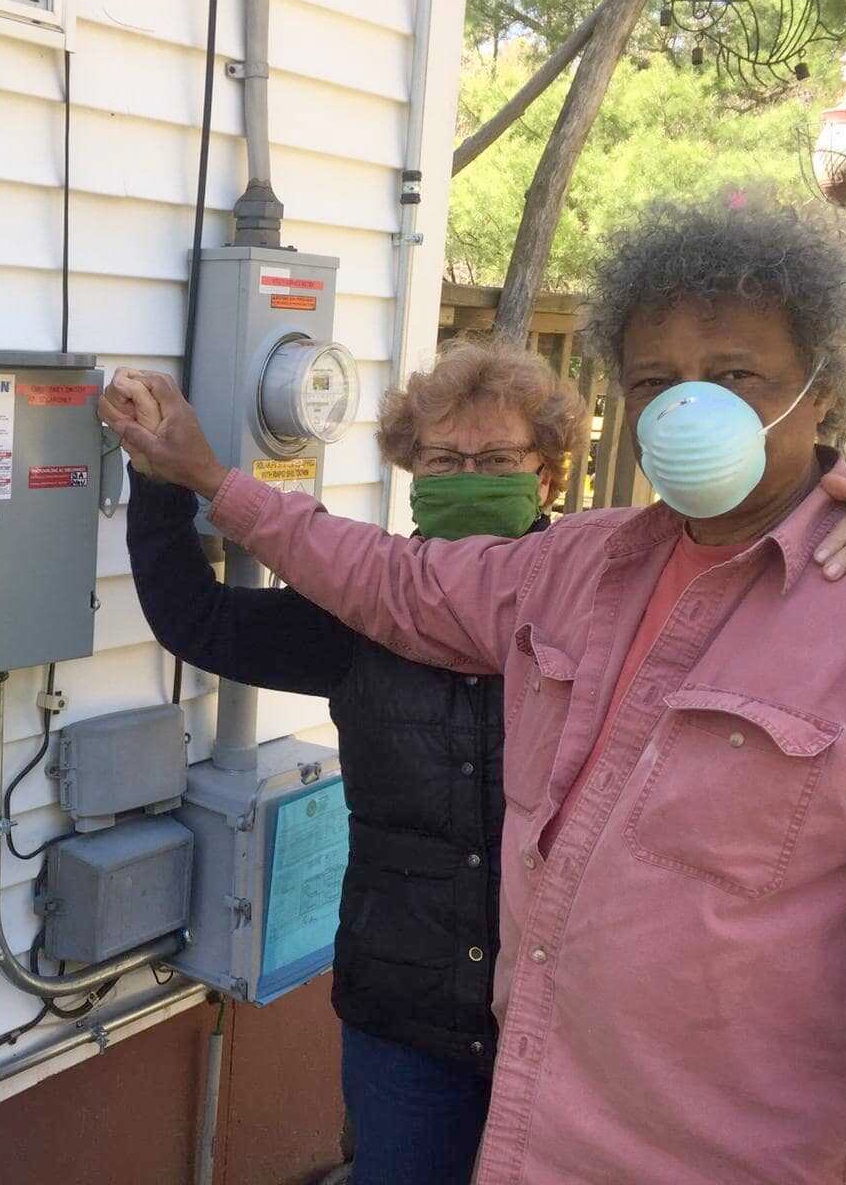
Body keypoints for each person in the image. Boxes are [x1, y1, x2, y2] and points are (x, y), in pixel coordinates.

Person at [106, 200, 846, 1184]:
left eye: (735, 374)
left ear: (820, 393)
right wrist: (190, 476)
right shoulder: (561, 580)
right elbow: (360, 576)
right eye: (656, 381)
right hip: (451, 1044)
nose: (689, 405)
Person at [127, 341, 585, 1184]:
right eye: (446, 459)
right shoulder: (363, 606)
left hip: (565, 1022)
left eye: (496, 459)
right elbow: (202, 621)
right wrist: (159, 478)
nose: (468, 473)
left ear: (547, 477)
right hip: (404, 1018)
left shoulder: (601, 607)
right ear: (415, 474)